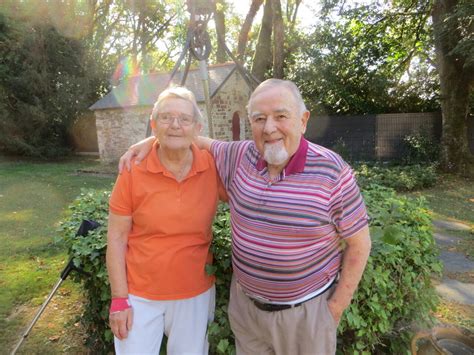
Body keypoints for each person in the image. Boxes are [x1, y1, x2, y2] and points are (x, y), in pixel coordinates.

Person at [120, 79, 371, 355]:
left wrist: (334, 310)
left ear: (303, 120)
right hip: (247, 314)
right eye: (259, 118)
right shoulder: (240, 156)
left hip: (305, 316)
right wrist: (150, 140)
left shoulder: (332, 171)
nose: (269, 128)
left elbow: (359, 243)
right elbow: (191, 137)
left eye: (281, 116)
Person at [107, 86, 226, 354]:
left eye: (184, 119)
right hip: (139, 294)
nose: (175, 125)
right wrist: (119, 299)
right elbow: (116, 237)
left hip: (194, 293)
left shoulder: (212, 166)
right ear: (153, 124)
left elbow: (250, 174)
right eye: (166, 117)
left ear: (197, 128)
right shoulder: (133, 169)